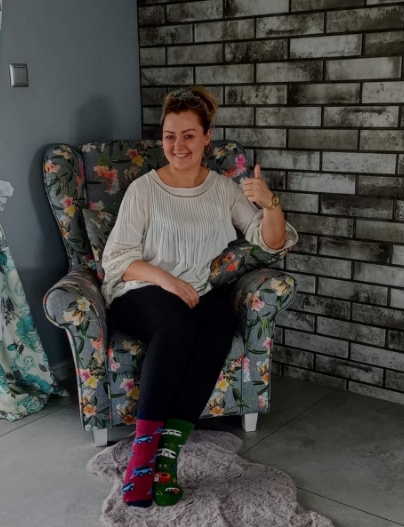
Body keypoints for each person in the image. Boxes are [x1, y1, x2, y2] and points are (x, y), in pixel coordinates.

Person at [101, 86, 298, 508]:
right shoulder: (144, 190)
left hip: (194, 292)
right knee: (176, 323)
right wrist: (167, 281)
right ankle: (141, 462)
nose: (178, 145)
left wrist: (271, 204)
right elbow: (117, 259)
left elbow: (271, 241)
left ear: (207, 137)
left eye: (188, 135)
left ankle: (167, 458)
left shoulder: (224, 189)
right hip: (138, 291)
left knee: (219, 323)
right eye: (170, 135)